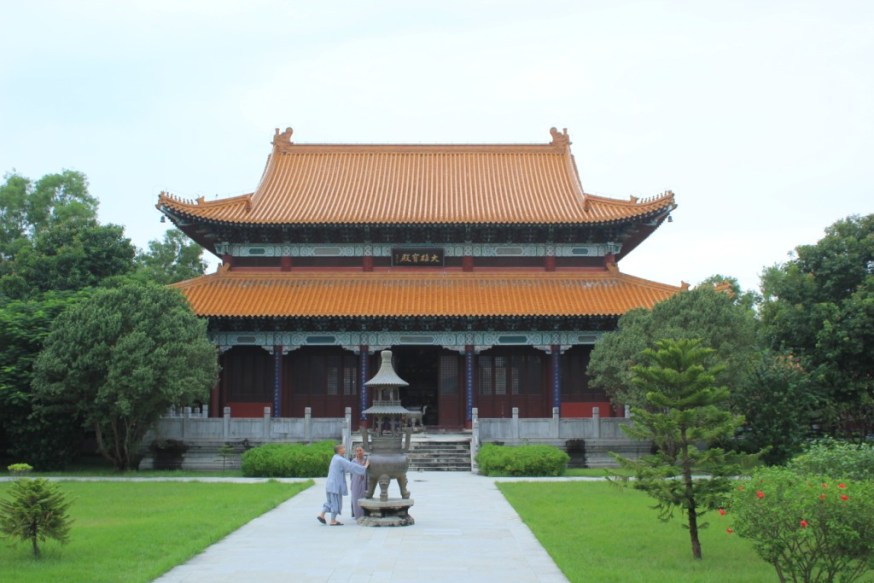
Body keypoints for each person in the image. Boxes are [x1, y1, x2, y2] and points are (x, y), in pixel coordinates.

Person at [317, 444, 368, 526]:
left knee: (330, 501)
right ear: (339, 450)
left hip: (330, 484)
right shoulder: (340, 460)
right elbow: (351, 466)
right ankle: (333, 520)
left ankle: (321, 515)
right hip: (335, 485)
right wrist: (364, 468)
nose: (345, 449)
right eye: (343, 448)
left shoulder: (335, 458)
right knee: (336, 502)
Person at [349, 446, 368, 519]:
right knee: (355, 497)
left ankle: (365, 514)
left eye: (360, 450)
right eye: (357, 451)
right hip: (356, 481)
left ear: (363, 451)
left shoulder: (366, 460)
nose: (359, 452)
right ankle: (357, 515)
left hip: (365, 481)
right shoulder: (353, 461)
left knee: (365, 496)